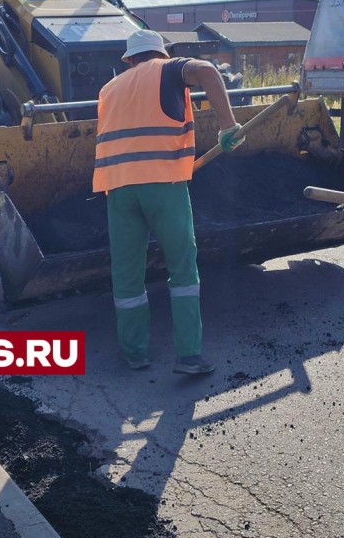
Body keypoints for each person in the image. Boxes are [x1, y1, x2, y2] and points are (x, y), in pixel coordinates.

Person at [93, 29, 245, 374]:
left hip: (117, 189)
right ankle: (189, 355)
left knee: (127, 275)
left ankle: (135, 353)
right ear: (160, 54)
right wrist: (228, 125)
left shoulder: (108, 90)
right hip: (163, 184)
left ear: (129, 60)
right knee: (182, 268)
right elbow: (207, 71)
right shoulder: (169, 69)